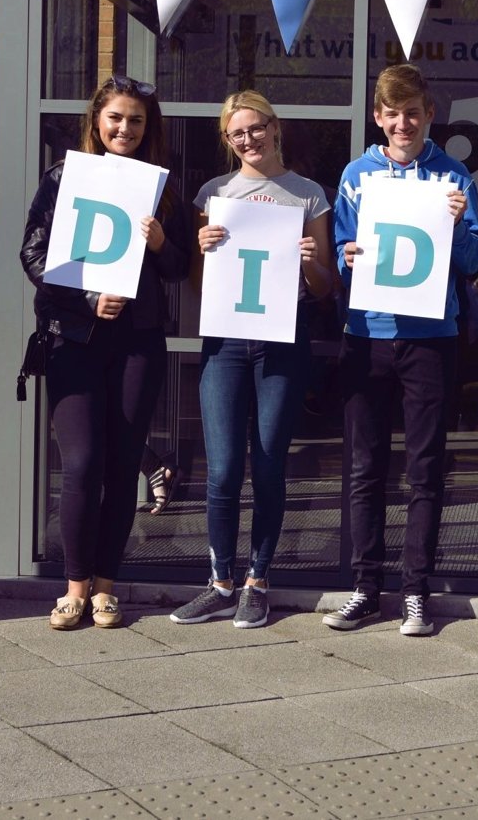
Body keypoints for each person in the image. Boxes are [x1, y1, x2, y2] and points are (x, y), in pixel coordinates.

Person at [323, 63, 478, 637]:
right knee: (365, 469)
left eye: (412, 112)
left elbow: (474, 263)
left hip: (430, 339)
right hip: (366, 336)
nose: (403, 123)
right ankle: (365, 587)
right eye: (392, 114)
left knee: (424, 472)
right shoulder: (355, 175)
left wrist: (463, 226)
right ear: (377, 117)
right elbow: (342, 250)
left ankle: (415, 589)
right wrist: (345, 258)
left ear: (429, 114)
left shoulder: (454, 177)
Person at [21, 76, 191, 630]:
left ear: (149, 128)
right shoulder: (62, 178)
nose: (125, 128)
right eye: (116, 117)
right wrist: (88, 298)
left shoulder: (160, 187)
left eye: (136, 120)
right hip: (74, 337)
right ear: (96, 120)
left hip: (138, 340)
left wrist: (163, 242)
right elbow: (34, 256)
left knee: (122, 468)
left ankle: (105, 588)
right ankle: (73, 587)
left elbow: (180, 270)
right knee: (82, 463)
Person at [169, 91, 335, 630]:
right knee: (221, 471)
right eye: (237, 133)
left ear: (275, 125)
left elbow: (325, 288)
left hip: (283, 340)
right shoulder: (214, 194)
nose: (248, 139)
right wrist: (201, 248)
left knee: (267, 465)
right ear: (227, 139)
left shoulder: (308, 195)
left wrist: (311, 263)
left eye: (256, 128)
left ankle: (257, 581)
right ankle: (218, 582)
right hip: (225, 340)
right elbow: (198, 285)